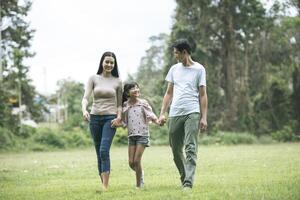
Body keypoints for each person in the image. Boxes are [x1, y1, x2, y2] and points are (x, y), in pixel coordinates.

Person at [158, 39, 208, 189]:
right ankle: (184, 175)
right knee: (175, 149)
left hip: (192, 112)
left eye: (176, 53)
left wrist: (204, 117)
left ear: (184, 52)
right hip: (175, 113)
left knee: (191, 147)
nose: (175, 56)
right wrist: (162, 113)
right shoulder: (174, 69)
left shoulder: (199, 69)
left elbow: (203, 95)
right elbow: (168, 93)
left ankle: (188, 182)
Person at [81, 51, 122, 191]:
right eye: (107, 62)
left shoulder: (117, 81)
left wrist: (119, 117)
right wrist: (84, 110)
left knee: (104, 150)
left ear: (114, 64)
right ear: (102, 63)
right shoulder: (93, 78)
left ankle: (105, 187)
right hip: (94, 118)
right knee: (99, 151)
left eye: (112, 62)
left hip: (110, 119)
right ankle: (103, 182)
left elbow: (120, 104)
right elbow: (86, 97)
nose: (109, 64)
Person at [121, 82, 159, 188]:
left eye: (137, 88)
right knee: (131, 163)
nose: (136, 89)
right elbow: (123, 120)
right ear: (127, 93)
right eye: (133, 88)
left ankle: (138, 185)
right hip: (131, 136)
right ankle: (140, 173)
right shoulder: (125, 105)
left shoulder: (143, 103)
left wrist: (158, 121)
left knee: (137, 161)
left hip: (142, 135)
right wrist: (117, 123)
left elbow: (151, 115)